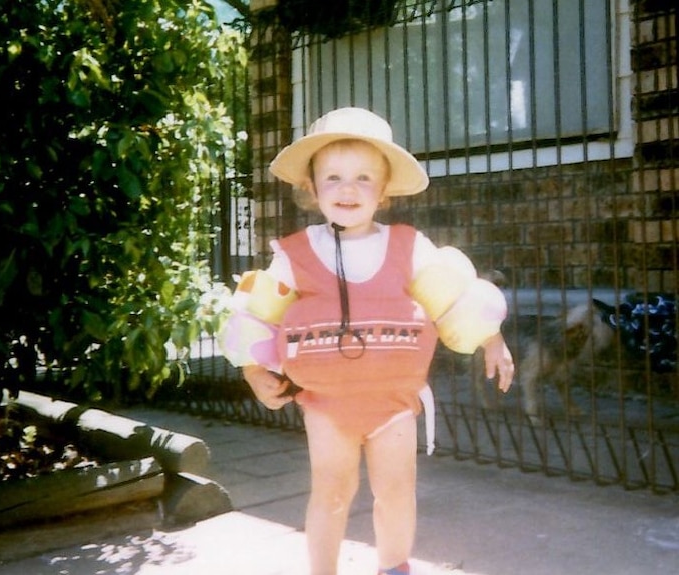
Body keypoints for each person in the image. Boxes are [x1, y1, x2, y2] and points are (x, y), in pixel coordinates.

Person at [218, 107, 515, 575]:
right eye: (332, 177)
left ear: (384, 191)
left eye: (363, 177)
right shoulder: (294, 255)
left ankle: (394, 568)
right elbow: (256, 317)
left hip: (393, 401)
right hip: (326, 404)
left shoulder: (409, 246)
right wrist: (255, 371)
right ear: (311, 189)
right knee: (331, 493)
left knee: (395, 492)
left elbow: (456, 298)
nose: (348, 189)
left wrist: (491, 338)